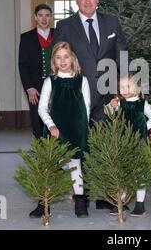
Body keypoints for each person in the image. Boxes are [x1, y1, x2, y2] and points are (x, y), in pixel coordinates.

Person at [53, 0, 128, 211]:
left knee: (104, 144)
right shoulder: (65, 25)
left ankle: (105, 196)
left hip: (107, 96)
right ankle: (80, 195)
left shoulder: (111, 23)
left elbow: (122, 56)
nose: (87, 1)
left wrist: (122, 88)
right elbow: (56, 62)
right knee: (79, 145)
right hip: (77, 97)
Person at [37, 41, 91, 218]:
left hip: (76, 130)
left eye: (66, 57)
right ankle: (43, 203)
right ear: (54, 60)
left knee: (76, 165)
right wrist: (50, 125)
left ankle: (80, 202)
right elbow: (42, 108)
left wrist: (83, 129)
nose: (62, 61)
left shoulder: (82, 81)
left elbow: (87, 108)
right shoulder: (50, 81)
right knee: (50, 166)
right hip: (56, 130)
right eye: (58, 57)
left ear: (72, 58)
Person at [105, 74, 151, 217]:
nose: (124, 89)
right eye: (121, 87)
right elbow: (108, 112)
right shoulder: (120, 103)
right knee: (123, 172)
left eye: (128, 86)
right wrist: (111, 105)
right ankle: (122, 201)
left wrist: (144, 128)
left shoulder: (142, 104)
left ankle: (140, 204)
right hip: (123, 143)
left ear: (137, 87)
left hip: (140, 143)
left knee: (139, 173)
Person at [18, 4, 54, 139]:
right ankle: (41, 152)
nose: (44, 19)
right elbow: (23, 64)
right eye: (40, 15)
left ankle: (56, 151)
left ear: (51, 17)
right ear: (35, 17)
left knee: (56, 116)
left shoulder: (58, 35)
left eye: (47, 15)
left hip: (56, 84)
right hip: (35, 86)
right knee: (37, 118)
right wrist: (29, 87)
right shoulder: (26, 37)